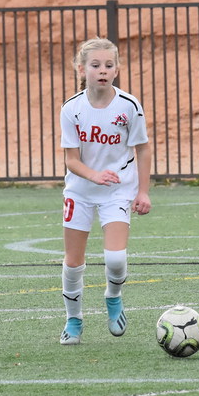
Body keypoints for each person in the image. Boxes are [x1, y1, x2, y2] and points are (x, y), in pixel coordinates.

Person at [58, 38, 151, 345]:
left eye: (108, 65)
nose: (102, 70)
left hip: (117, 190)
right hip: (81, 191)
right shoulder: (72, 108)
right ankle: (74, 319)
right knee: (73, 262)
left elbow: (142, 149)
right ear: (81, 69)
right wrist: (94, 175)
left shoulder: (129, 106)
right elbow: (71, 160)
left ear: (117, 69)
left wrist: (143, 192)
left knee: (115, 259)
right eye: (95, 65)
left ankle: (113, 297)